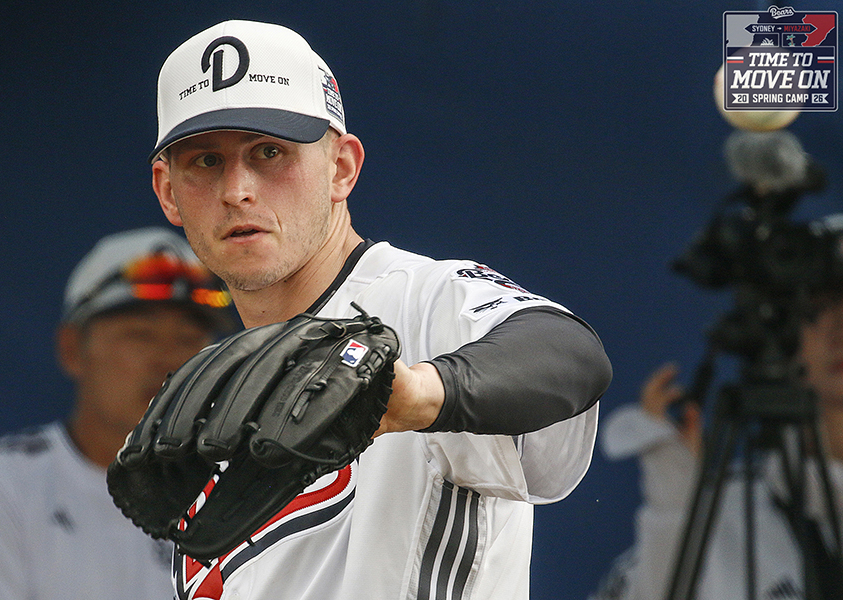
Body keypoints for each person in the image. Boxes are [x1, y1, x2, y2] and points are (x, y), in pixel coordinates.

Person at [143, 20, 612, 600]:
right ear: (167, 190)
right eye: (206, 161)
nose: (238, 188)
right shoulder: (212, 391)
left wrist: (419, 393)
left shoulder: (417, 301)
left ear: (341, 168)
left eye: (270, 152)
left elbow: (570, 351)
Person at [0, 227, 238, 599]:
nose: (169, 360)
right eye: (140, 334)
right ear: (72, 350)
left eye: (188, 340)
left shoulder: (242, 499)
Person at [590, 220, 843, 599]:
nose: (840, 328)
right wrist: (673, 515)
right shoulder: (723, 515)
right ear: (781, 332)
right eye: (817, 308)